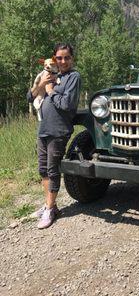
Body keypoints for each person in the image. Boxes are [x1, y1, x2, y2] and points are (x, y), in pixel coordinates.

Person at [27, 43, 81, 229]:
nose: (63, 61)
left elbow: (67, 105)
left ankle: (49, 210)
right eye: (59, 58)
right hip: (43, 129)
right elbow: (30, 97)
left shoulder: (73, 77)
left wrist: (50, 91)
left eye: (66, 57)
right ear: (54, 59)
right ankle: (50, 205)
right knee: (43, 169)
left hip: (59, 130)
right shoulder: (50, 76)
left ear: (72, 59)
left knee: (52, 169)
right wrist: (41, 85)